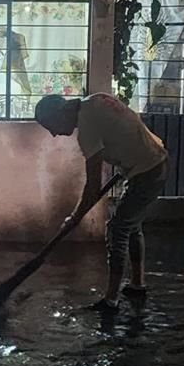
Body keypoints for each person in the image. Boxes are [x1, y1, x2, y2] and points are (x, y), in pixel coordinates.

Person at [35, 93, 169, 311]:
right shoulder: (96, 100)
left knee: (117, 229)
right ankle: (137, 284)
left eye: (51, 126)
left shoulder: (86, 129)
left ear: (62, 113)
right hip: (153, 161)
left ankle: (111, 299)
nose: (53, 134)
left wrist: (75, 217)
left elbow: (93, 186)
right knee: (131, 225)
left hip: (148, 170)